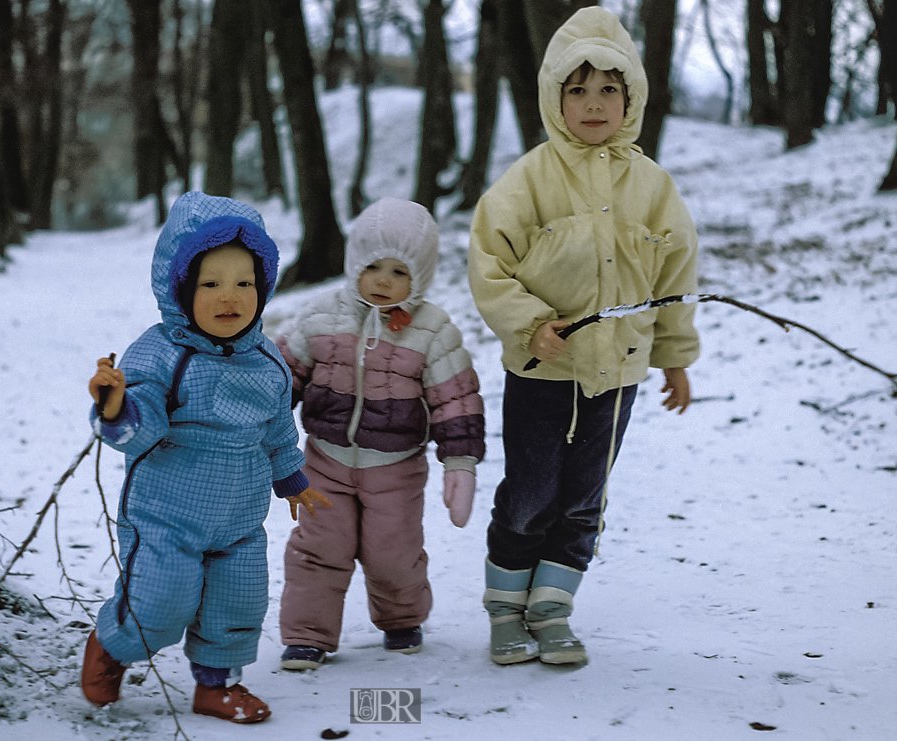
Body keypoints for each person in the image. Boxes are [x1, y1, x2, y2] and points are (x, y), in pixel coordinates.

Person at [467, 6, 700, 667]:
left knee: (582, 498)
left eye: (607, 88)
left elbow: (676, 274)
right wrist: (530, 324)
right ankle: (505, 609)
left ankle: (551, 608)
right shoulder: (528, 180)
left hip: (617, 374)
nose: (593, 103)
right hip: (543, 372)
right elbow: (489, 263)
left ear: (631, 97)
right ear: (553, 98)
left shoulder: (652, 186)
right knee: (532, 491)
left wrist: (674, 358)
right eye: (577, 89)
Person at [82, 191, 329, 723]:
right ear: (180, 289)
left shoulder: (267, 360)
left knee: (237, 604)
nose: (230, 297)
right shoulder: (162, 353)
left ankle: (217, 685)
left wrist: (293, 480)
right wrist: (117, 404)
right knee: (160, 601)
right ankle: (112, 645)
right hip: (166, 516)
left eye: (245, 283)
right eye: (211, 284)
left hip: (239, 519)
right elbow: (137, 430)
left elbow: (278, 429)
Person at [274, 197, 486, 670]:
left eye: (400, 271)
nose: (384, 280)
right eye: (373, 266)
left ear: (421, 278)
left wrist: (460, 463)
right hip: (324, 462)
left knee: (393, 550)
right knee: (319, 547)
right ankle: (308, 635)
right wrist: (252, 429)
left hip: (395, 469)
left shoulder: (432, 331)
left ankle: (402, 619)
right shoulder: (319, 317)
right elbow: (279, 378)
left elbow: (456, 398)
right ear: (354, 263)